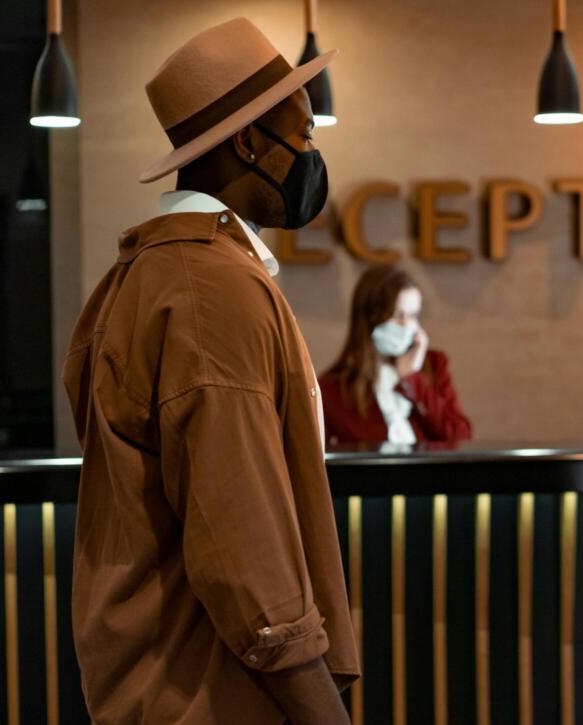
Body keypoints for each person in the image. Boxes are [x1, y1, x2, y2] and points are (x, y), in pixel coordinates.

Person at [61, 18, 357, 724]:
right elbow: (244, 546)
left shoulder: (147, 274)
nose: (313, 157)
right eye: (305, 135)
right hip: (209, 695)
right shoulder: (209, 290)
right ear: (249, 142)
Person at [320, 265, 472, 446]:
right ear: (370, 317)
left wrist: (412, 379)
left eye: (413, 315)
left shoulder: (434, 364)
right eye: (398, 315)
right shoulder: (333, 388)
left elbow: (460, 435)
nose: (407, 325)